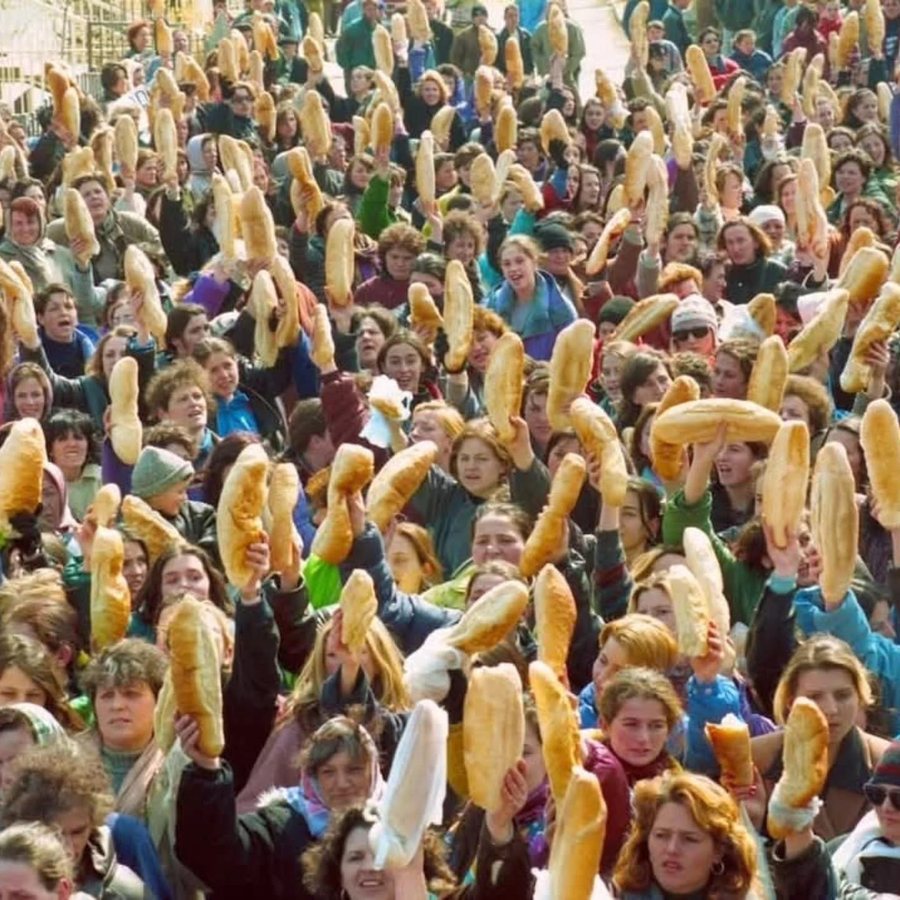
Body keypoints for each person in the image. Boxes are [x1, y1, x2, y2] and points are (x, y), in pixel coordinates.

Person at [175, 716, 385, 900]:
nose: (341, 783)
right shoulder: (280, 827)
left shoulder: (396, 826)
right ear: (312, 777)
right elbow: (217, 855)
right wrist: (207, 770)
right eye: (328, 772)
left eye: (354, 770)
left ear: (373, 771)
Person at [612, 771, 759, 896]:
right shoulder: (610, 895)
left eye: (690, 839)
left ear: (719, 850)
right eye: (661, 835)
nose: (672, 849)